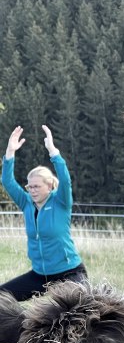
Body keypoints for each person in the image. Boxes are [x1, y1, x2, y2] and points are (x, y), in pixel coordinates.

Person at [0, 125, 87, 301]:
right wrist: (10, 152)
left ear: (49, 186)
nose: (32, 190)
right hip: (40, 276)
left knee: (78, 309)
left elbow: (66, 180)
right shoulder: (26, 203)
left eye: (37, 186)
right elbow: (7, 181)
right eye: (29, 186)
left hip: (69, 272)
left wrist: (53, 152)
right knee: (2, 297)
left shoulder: (60, 201)